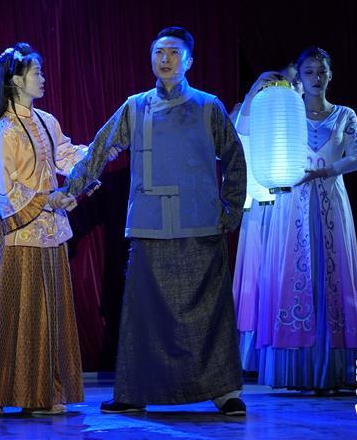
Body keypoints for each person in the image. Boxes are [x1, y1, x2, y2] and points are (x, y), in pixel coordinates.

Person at [63, 26, 248, 416]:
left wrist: (231, 209)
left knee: (209, 313)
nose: (165, 59)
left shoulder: (208, 106)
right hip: (150, 223)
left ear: (189, 61)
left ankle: (223, 391)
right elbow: (101, 147)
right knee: (143, 313)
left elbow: (234, 156)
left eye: (174, 53)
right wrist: (72, 189)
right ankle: (134, 390)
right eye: (159, 52)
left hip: (199, 222)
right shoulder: (136, 107)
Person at [0, 43, 96, 417]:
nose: (42, 78)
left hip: (50, 232)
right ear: (16, 80)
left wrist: (97, 155)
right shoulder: (5, 130)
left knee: (47, 313)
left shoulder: (46, 121)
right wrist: (49, 199)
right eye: (36, 72)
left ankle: (44, 393)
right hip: (18, 232)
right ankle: (0, 392)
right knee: (15, 313)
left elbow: (67, 155)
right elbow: (7, 190)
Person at [254, 46, 357, 392]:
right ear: (299, 77)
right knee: (295, 272)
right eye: (309, 72)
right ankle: (298, 367)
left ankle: (335, 366)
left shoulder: (345, 114)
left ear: (330, 75)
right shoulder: (287, 114)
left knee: (334, 272)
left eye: (321, 71)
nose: (316, 78)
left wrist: (325, 172)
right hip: (294, 204)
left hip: (331, 199)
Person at [231, 62, 300, 371]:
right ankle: (256, 352)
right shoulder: (256, 110)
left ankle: (291, 346)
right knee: (257, 277)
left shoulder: (302, 116)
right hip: (261, 206)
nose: (289, 87)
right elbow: (237, 139)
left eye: (295, 82)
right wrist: (252, 94)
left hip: (294, 207)